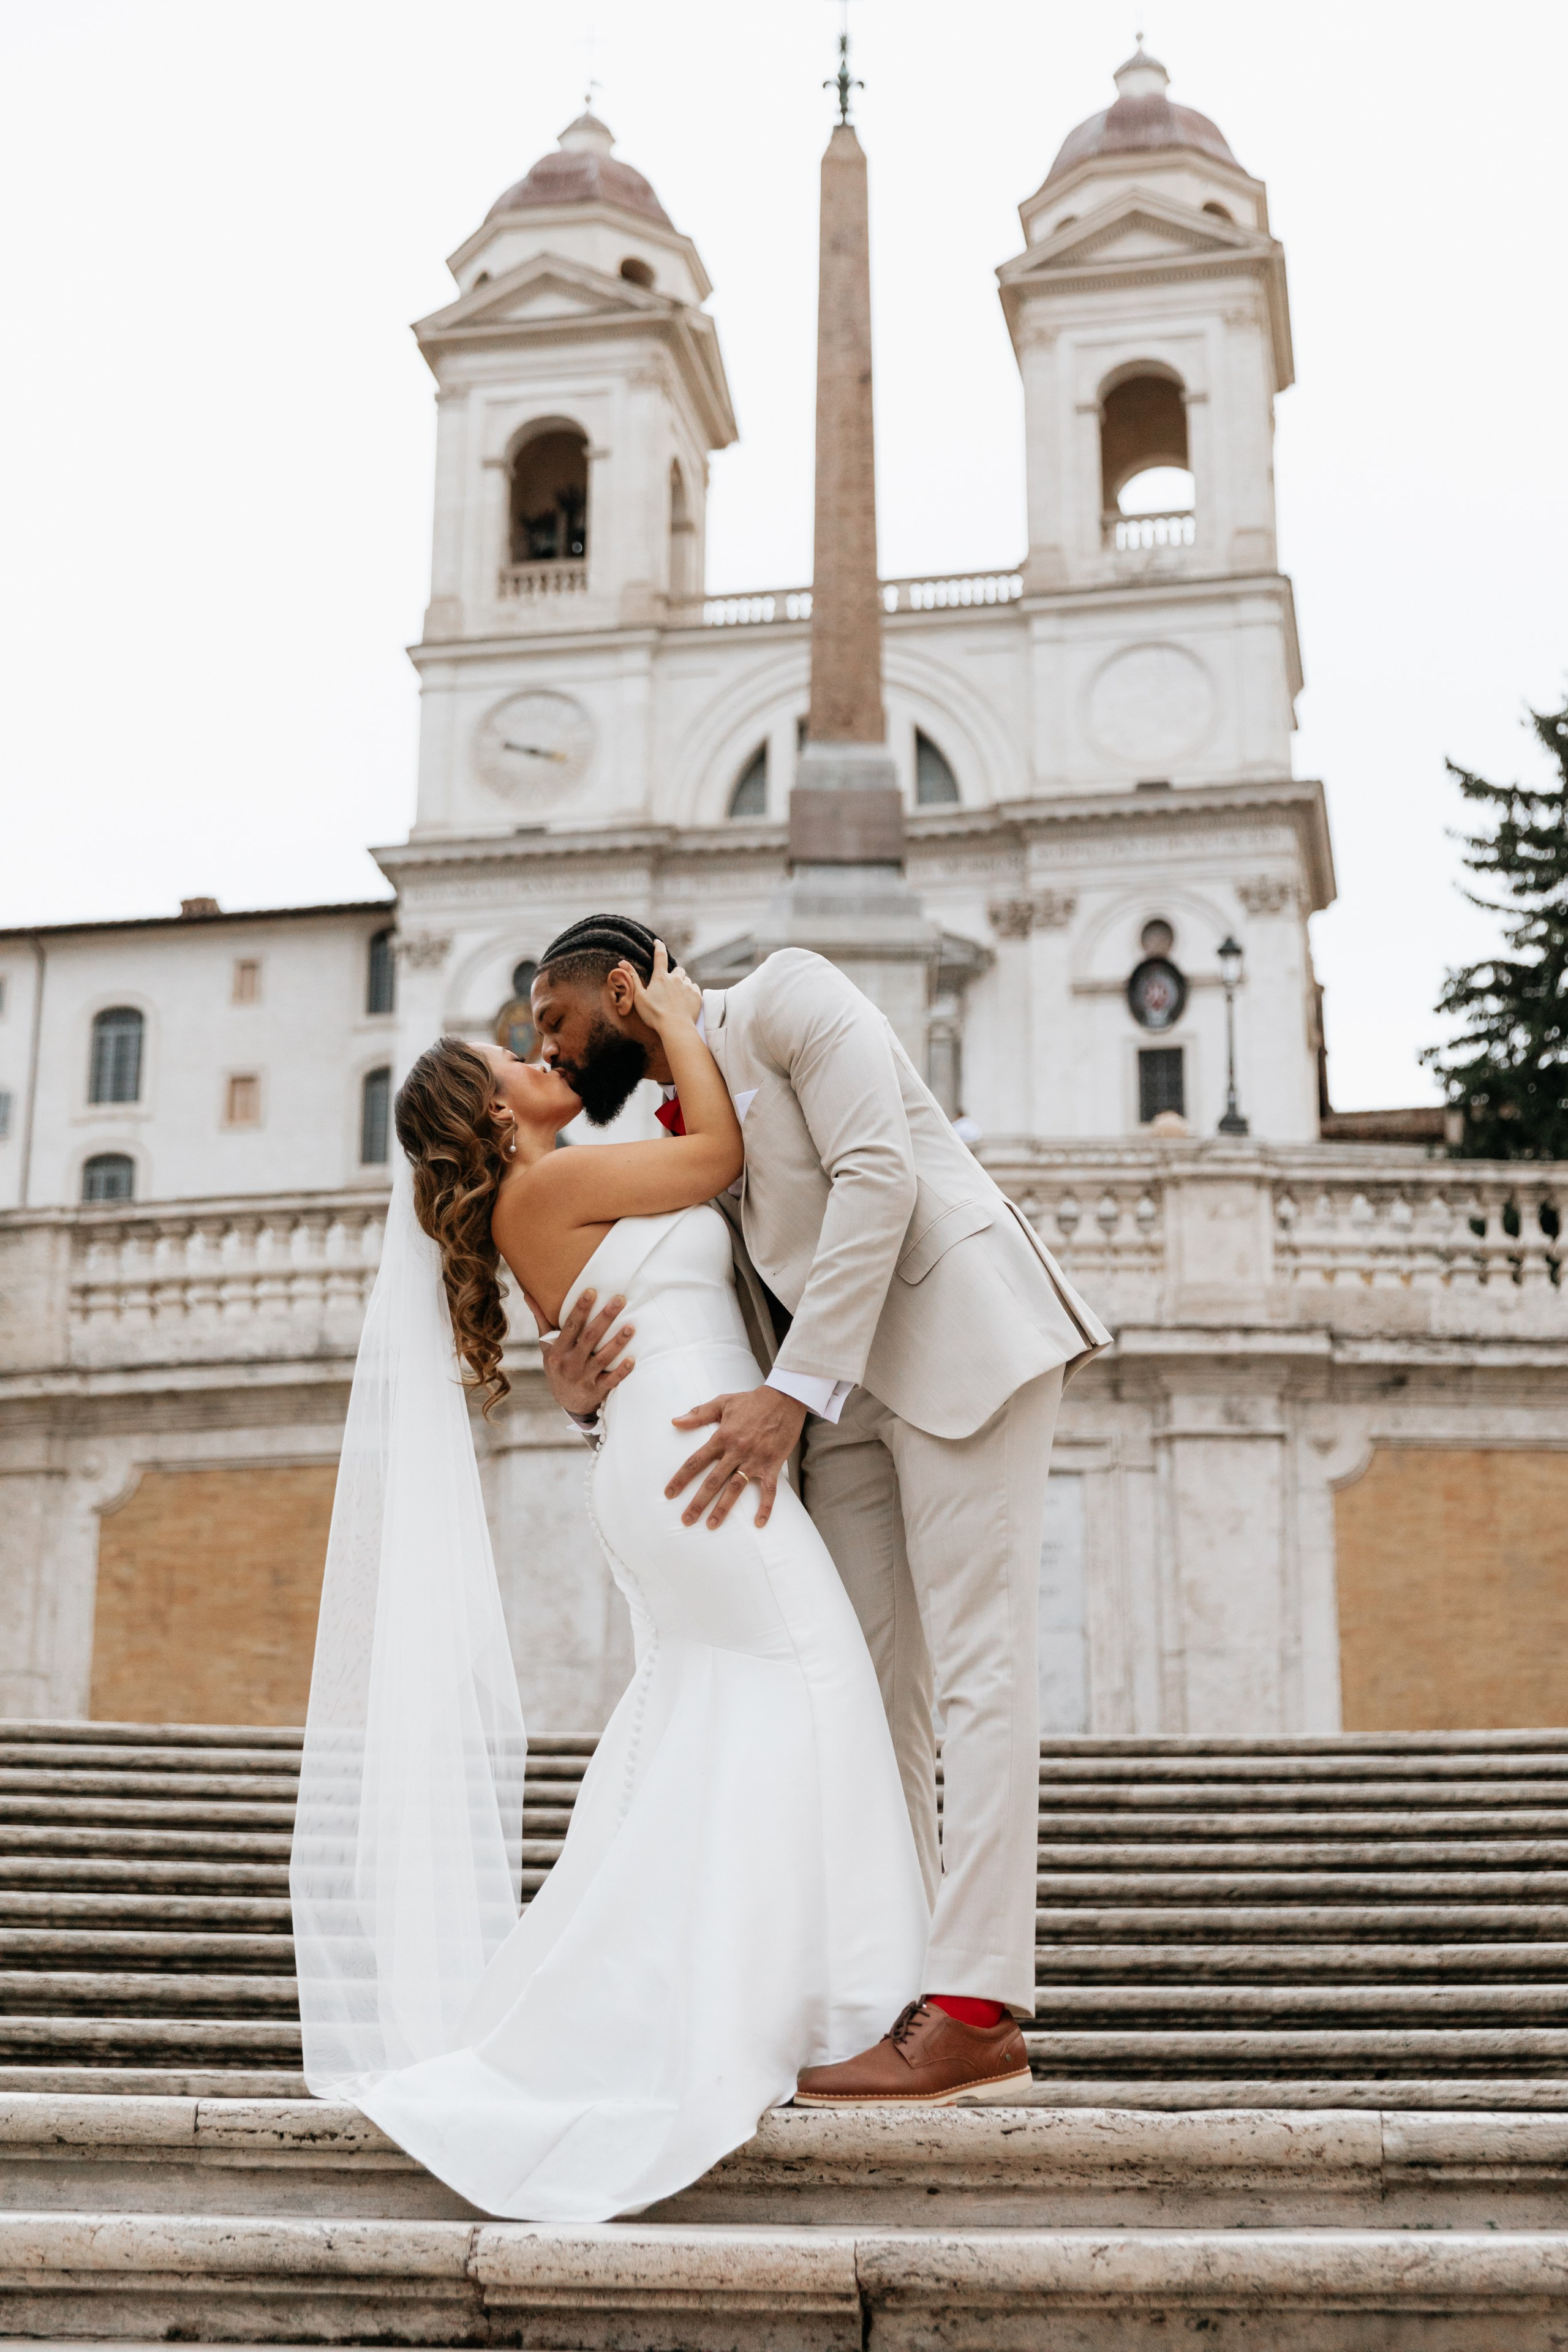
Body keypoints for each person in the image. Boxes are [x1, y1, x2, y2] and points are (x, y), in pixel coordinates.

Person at [290, 945, 928, 2223]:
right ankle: (845, 2000)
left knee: (730, 1722)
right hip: (698, 1477)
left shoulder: (557, 1194)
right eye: (510, 1062)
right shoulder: (561, 1185)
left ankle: (785, 1996)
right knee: (814, 1689)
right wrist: (677, 1015)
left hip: (670, 1463)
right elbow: (719, 1162)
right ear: (485, 1117)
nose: (541, 1059)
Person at [529, 914, 1110, 2106]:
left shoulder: (788, 993)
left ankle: (978, 2007)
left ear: (623, 988)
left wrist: (789, 1396)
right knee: (860, 1689)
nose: (546, 1050)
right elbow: (694, 1312)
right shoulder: (672, 1120)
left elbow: (877, 1169)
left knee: (980, 1670)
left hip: (952, 1343)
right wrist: (587, 1397)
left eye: (552, 1020)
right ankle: (901, 1985)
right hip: (837, 1408)